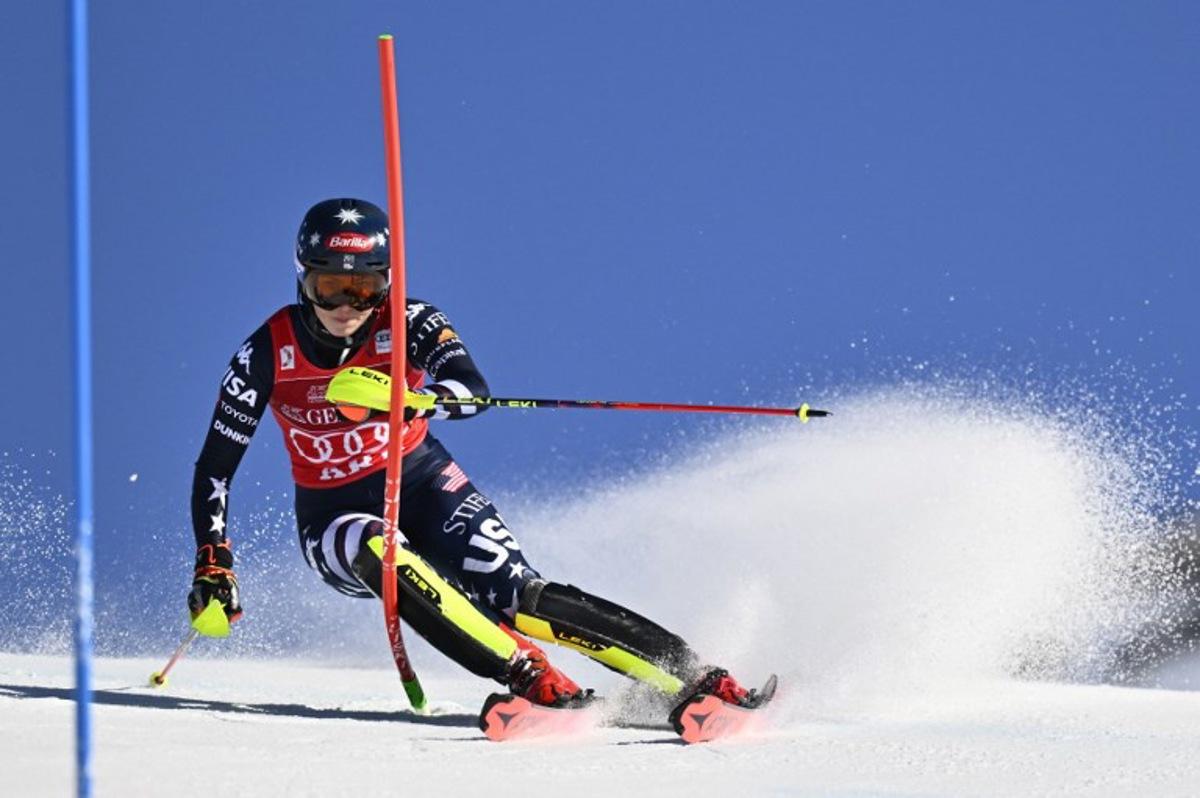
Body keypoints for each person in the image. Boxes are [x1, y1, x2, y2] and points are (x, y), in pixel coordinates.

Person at [188, 197, 754, 711]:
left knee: (519, 596)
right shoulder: (266, 352)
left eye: (365, 289)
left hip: (421, 480)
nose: (347, 305)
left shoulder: (410, 321)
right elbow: (216, 465)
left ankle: (693, 678)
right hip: (331, 512)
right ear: (302, 280)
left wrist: (417, 401)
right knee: (377, 550)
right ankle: (531, 677)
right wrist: (214, 558)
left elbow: (470, 388)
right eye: (330, 287)